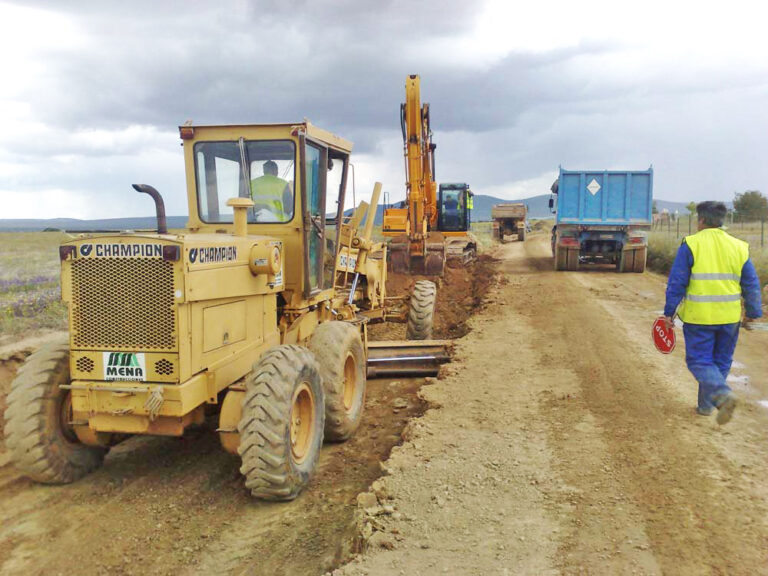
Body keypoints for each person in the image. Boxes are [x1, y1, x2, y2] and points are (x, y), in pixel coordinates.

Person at [664, 201, 762, 424]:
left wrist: (669, 312)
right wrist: (753, 312)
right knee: (720, 362)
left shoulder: (691, 244)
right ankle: (705, 406)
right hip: (729, 318)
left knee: (699, 361)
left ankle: (721, 395)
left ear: (701, 220)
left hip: (700, 317)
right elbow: (751, 283)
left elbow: (677, 282)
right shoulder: (739, 246)